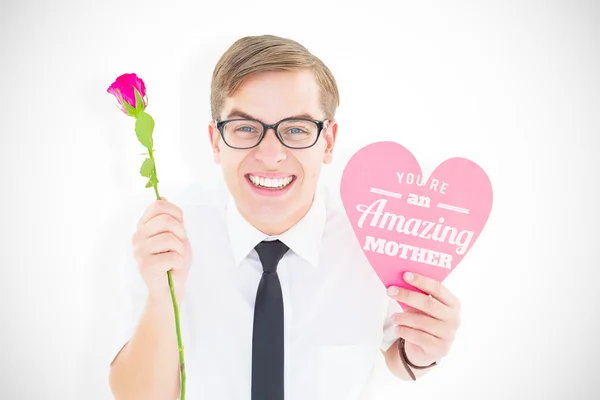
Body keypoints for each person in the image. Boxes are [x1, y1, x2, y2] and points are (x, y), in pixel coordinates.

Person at [108, 34, 462, 400]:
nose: (271, 154)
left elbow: (396, 351)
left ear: (328, 142)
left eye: (295, 129)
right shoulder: (168, 235)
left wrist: (422, 352)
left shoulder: (374, 234)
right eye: (245, 128)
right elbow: (136, 395)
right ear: (216, 141)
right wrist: (164, 295)